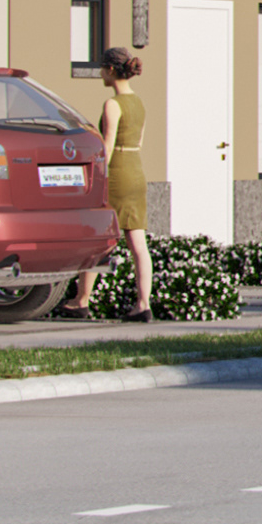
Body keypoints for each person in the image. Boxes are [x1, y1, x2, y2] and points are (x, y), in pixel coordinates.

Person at [60, 44, 154, 324]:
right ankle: (143, 304)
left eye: (102, 68)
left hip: (118, 172)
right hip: (136, 170)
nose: (100, 73)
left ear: (111, 70)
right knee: (138, 244)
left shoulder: (112, 104)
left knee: (98, 239)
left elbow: (108, 146)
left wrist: (98, 177)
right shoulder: (139, 102)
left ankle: (82, 301)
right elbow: (139, 142)